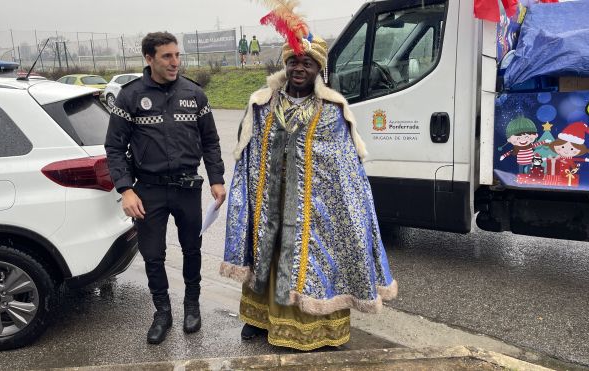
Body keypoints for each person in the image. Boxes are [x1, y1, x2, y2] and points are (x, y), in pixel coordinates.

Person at [220, 34, 397, 351]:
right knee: (267, 257)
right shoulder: (262, 106)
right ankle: (260, 320)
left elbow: (345, 172)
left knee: (311, 263)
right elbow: (249, 156)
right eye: (293, 62)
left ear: (320, 68)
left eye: (307, 63)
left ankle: (320, 329)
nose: (299, 68)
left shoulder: (333, 111)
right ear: (285, 65)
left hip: (315, 209)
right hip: (270, 203)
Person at [105, 31, 226, 345]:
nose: (175, 62)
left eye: (177, 55)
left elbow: (211, 142)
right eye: (167, 56)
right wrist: (125, 189)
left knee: (192, 250)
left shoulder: (194, 94)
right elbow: (114, 148)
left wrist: (216, 178)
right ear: (149, 58)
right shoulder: (129, 96)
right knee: (153, 256)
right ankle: (162, 312)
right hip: (148, 190)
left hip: (187, 188)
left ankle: (191, 306)